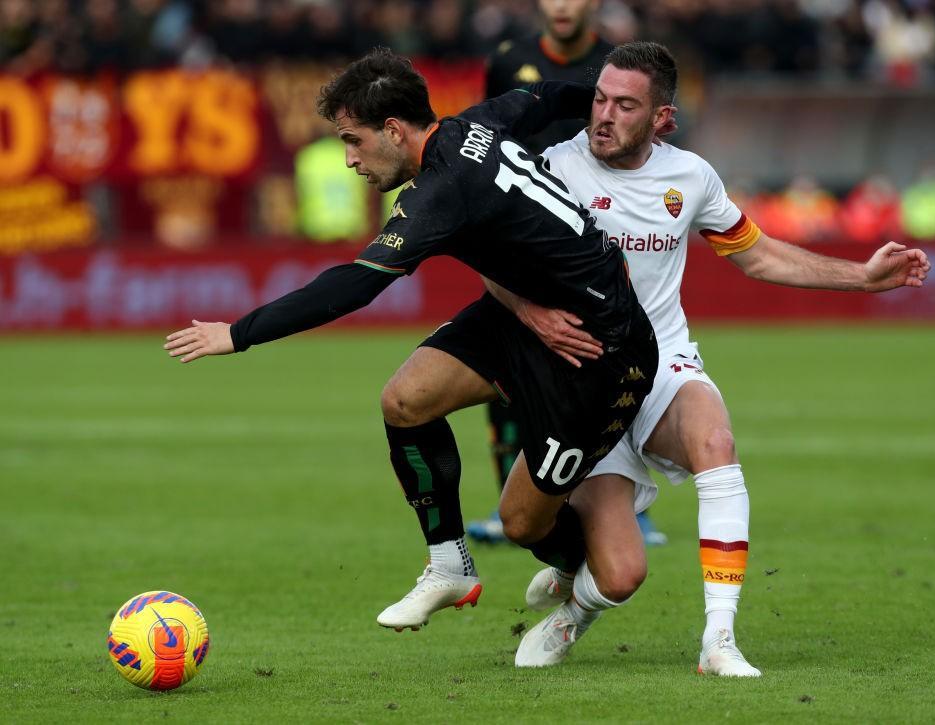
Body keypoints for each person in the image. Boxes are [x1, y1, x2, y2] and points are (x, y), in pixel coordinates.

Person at [163, 48, 659, 633]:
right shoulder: (475, 125)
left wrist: (238, 333)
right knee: (405, 400)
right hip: (527, 317)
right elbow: (542, 99)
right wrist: (595, 103)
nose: (349, 159)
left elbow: (355, 284)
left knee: (525, 525)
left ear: (394, 131)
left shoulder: (440, 191)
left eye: (354, 140)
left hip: (599, 354)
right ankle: (450, 566)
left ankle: (580, 575)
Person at [480, 42, 930, 674]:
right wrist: (532, 316)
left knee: (715, 439)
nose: (603, 115)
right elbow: (489, 257)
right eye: (599, 99)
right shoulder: (551, 170)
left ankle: (719, 641)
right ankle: (579, 603)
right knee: (613, 570)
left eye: (624, 105)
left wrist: (862, 276)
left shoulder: (690, 178)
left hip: (662, 362)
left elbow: (758, 254)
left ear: (662, 118)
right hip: (581, 379)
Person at [470, 0, 668, 547]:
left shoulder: (616, 64)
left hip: (595, 228)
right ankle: (507, 498)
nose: (561, 5)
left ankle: (626, 502)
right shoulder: (509, 59)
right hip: (522, 230)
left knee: (611, 364)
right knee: (510, 370)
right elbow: (487, 134)